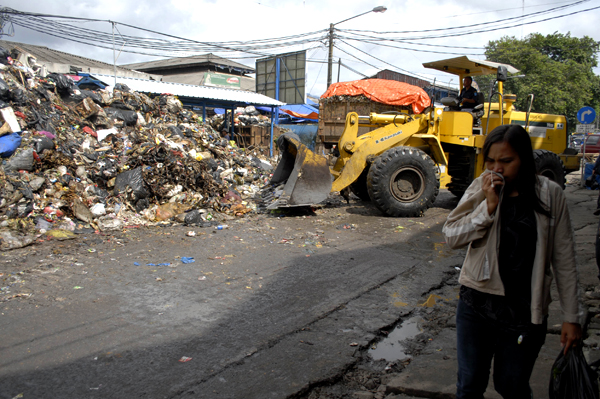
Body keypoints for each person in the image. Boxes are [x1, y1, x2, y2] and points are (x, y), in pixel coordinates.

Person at [442, 124, 581, 399]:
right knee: (469, 386)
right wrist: (488, 207)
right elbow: (451, 236)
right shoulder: (482, 186)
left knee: (511, 386)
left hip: (525, 311)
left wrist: (571, 317)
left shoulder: (550, 194)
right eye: (491, 161)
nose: (497, 168)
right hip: (476, 305)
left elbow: (564, 260)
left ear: (525, 159)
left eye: (506, 161)